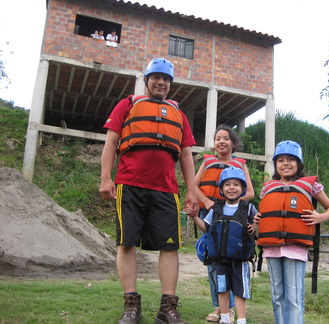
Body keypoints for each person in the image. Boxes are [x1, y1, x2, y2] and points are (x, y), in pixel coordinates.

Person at [99, 57, 199, 324]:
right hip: (130, 184)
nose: (161, 82)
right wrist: (106, 178)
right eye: (156, 77)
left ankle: (167, 308)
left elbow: (186, 155)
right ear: (146, 80)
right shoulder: (127, 105)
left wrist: (192, 191)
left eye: (166, 79)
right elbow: (111, 142)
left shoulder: (178, 113)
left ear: (170, 85)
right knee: (126, 242)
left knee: (170, 247)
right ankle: (132, 305)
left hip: (166, 189)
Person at [254, 140, 329, 324]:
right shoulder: (268, 188)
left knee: (293, 297)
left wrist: (319, 217)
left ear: (299, 163)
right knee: (277, 294)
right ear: (275, 164)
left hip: (296, 248)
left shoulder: (311, 186)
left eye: (291, 159)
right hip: (272, 248)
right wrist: (259, 221)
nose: (286, 163)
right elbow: (266, 214)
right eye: (281, 160)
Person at [194, 124, 255, 323]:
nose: (221, 141)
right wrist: (209, 203)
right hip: (211, 213)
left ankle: (230, 310)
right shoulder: (207, 162)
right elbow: (194, 186)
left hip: (234, 214)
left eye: (226, 138)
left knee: (233, 260)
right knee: (214, 261)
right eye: (218, 138)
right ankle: (220, 307)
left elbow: (251, 193)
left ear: (233, 143)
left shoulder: (240, 164)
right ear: (214, 143)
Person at [187, 167, 258, 324]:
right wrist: (194, 217)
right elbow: (206, 228)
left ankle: (241, 319)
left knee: (240, 291)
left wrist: (254, 227)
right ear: (221, 189)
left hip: (240, 260)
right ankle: (224, 318)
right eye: (227, 184)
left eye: (236, 184)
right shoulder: (216, 208)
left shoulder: (249, 208)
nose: (231, 188)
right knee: (222, 288)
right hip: (220, 259)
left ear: (243, 188)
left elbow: (257, 224)